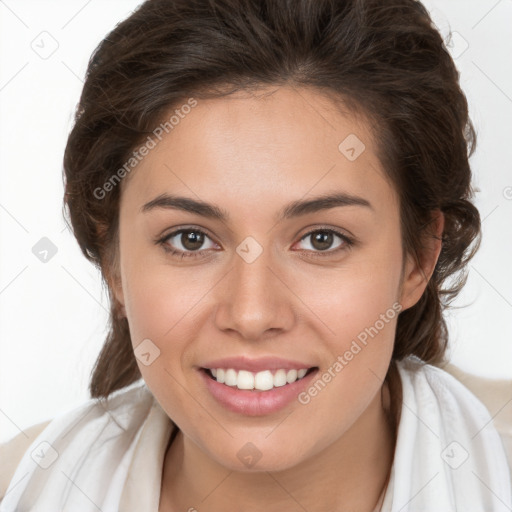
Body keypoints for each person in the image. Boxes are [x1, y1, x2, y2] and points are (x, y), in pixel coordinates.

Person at [1, 0, 511, 510]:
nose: (252, 314)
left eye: (322, 239)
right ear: (113, 263)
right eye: (190, 239)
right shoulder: (19, 488)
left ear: (417, 259)